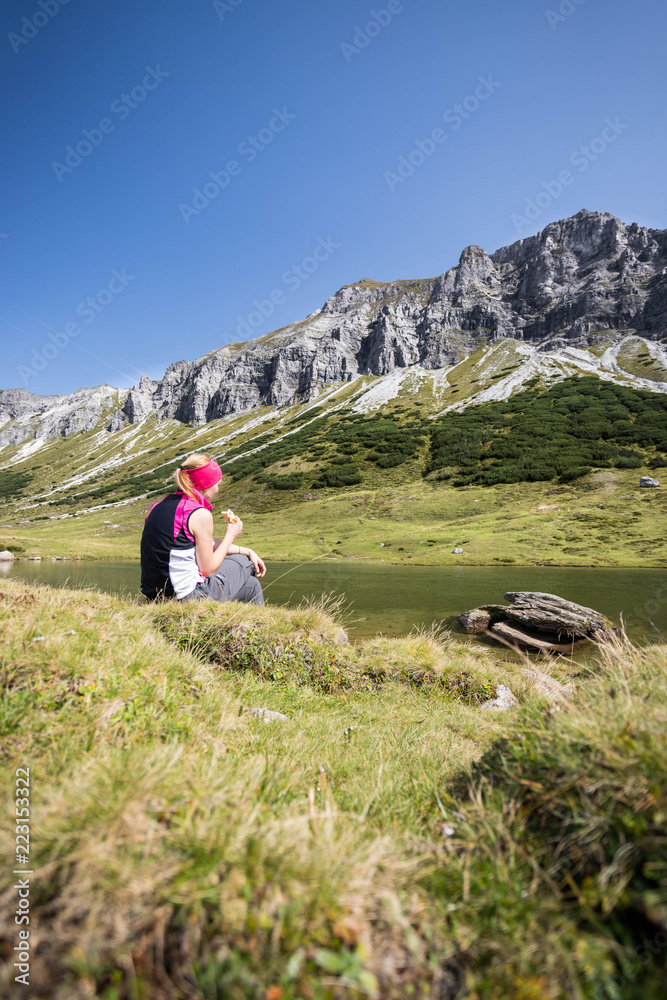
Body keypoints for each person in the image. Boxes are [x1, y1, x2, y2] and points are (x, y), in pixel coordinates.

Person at [140, 452, 266, 604]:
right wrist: (230, 536)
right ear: (205, 484)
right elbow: (208, 569)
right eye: (217, 484)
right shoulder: (199, 513)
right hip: (188, 597)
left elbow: (198, 543)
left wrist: (246, 550)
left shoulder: (158, 507)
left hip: (153, 596)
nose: (217, 490)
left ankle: (251, 626)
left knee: (251, 586)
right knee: (246, 561)